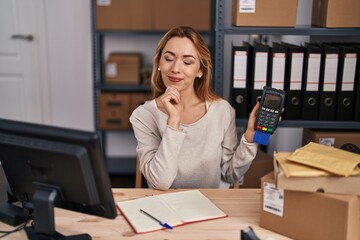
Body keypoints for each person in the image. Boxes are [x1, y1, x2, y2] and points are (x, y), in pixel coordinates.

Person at [130, 26, 259, 190]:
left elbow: (230, 174)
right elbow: (160, 182)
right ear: (159, 64)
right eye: (169, 59)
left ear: (200, 70)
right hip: (164, 207)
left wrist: (250, 137)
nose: (176, 69)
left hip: (209, 206)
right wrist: (173, 122)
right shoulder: (143, 115)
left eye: (187, 62)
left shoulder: (222, 111)